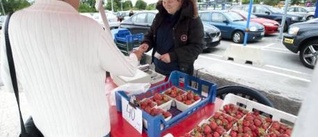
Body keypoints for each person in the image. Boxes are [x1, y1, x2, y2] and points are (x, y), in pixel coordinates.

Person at [1, 0, 145, 136]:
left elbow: (12, 85)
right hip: (93, 130)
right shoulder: (90, 27)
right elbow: (128, 69)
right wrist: (136, 55)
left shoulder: (10, 26)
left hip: (47, 129)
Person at [138, 0, 204, 78]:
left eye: (170, 1)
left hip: (180, 73)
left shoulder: (193, 20)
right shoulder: (159, 16)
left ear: (181, 1)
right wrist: (146, 43)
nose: (166, 5)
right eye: (164, 2)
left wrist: (173, 56)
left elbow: (197, 46)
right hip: (159, 69)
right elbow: (151, 34)